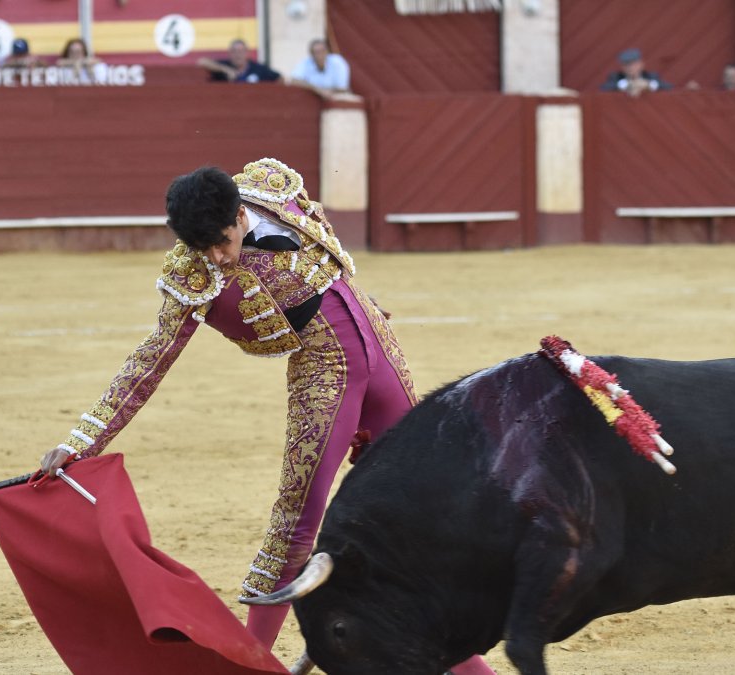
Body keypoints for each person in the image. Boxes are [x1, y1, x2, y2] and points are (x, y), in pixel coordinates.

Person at [35, 158, 495, 674]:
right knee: (296, 524)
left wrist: (355, 297)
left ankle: (467, 666)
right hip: (324, 377)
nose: (215, 256)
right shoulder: (192, 275)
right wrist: (83, 441)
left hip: (382, 350)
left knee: (419, 515)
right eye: (200, 247)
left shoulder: (274, 188)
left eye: (221, 242)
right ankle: (252, 664)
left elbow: (326, 251)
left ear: (237, 214)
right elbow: (150, 359)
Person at [286, 38, 350, 97]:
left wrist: (322, 91)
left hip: (335, 98)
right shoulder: (306, 62)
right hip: (312, 98)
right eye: (317, 52)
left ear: (327, 51)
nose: (320, 55)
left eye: (323, 51)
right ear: (312, 54)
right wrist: (318, 90)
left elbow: (342, 88)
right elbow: (294, 80)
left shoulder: (337, 62)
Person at [198, 38, 281, 83]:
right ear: (229, 53)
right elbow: (202, 61)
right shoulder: (224, 65)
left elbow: (280, 79)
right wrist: (225, 69)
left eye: (241, 51)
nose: (238, 55)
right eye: (234, 51)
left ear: (247, 53)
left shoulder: (259, 69)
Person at [600, 47, 671, 97]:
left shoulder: (651, 76)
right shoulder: (615, 77)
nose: (630, 68)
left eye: (634, 64)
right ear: (622, 67)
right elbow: (604, 88)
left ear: (641, 64)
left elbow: (668, 87)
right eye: (627, 65)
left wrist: (648, 85)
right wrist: (628, 85)